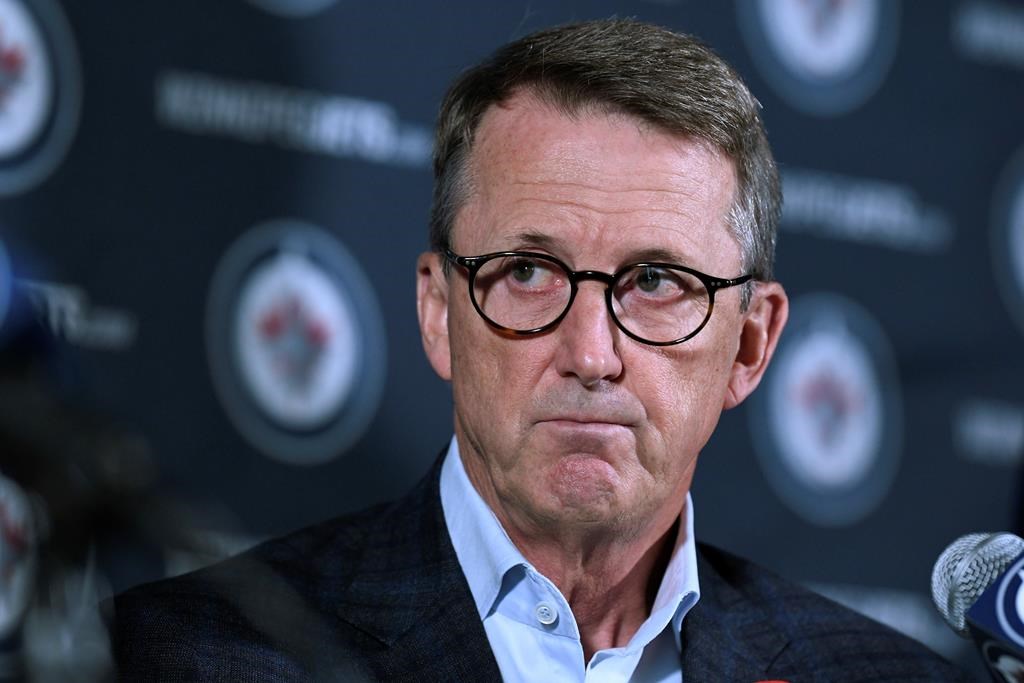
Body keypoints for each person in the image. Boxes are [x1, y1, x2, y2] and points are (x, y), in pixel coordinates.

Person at [109, 18, 969, 682]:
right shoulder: (183, 655)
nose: (590, 353)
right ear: (440, 311)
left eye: (657, 282)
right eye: (528, 270)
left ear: (750, 344)